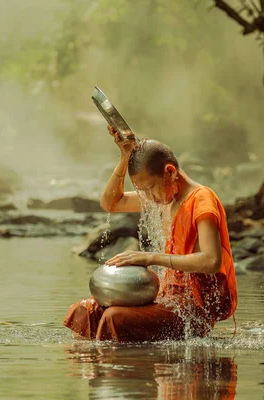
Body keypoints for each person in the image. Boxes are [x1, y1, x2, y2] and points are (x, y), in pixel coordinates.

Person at [63, 126, 237, 342]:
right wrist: (124, 157)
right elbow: (110, 203)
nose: (148, 197)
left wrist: (150, 258)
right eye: (142, 191)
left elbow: (211, 261)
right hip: (165, 299)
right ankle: (89, 370)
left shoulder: (202, 199)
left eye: (150, 188)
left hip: (192, 310)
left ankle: (116, 368)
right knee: (84, 311)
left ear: (170, 172)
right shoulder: (163, 196)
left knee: (114, 317)